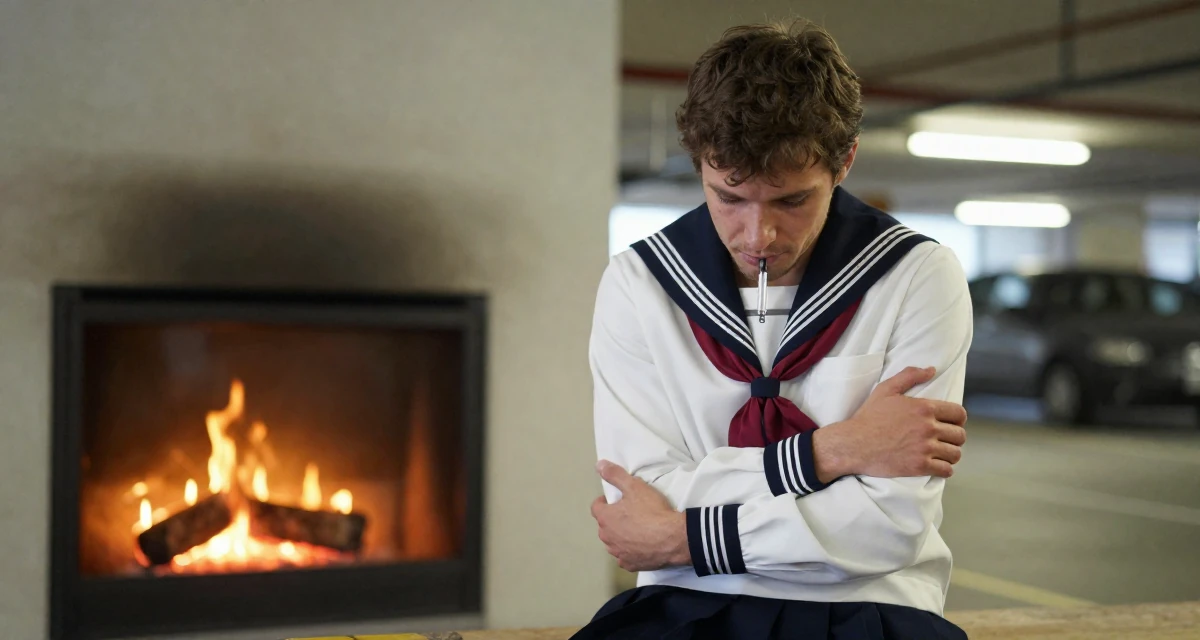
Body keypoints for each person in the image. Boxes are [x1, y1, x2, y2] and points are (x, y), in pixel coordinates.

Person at [575, 20, 972, 640]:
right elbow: (640, 494)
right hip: (686, 604)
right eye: (728, 197)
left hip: (869, 605)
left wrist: (683, 535)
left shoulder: (918, 275)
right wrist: (834, 451)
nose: (758, 237)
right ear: (700, 164)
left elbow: (886, 527)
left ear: (845, 161)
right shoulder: (638, 283)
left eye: (791, 201)